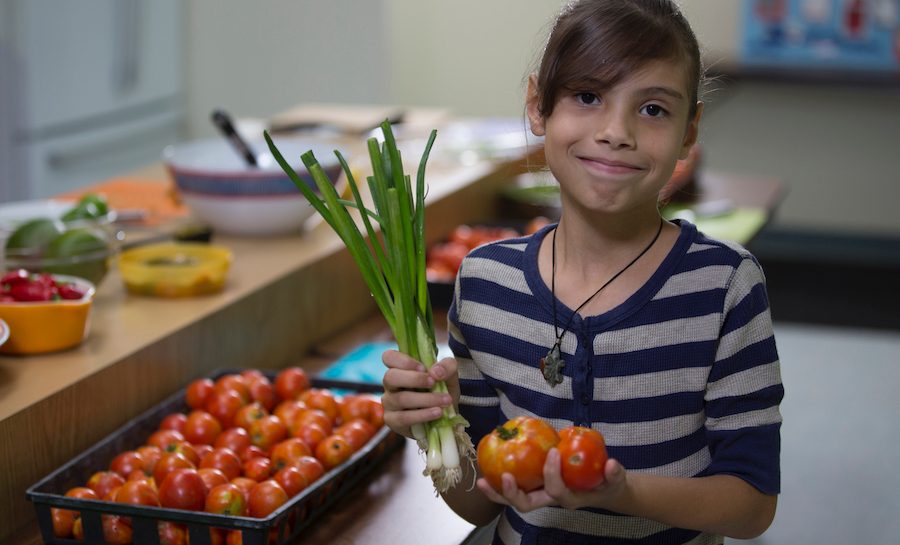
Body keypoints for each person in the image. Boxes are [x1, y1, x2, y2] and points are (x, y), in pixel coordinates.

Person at [381, 1, 784, 543]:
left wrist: (621, 493)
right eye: (588, 96)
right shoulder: (483, 283)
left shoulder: (726, 286)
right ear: (537, 106)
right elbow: (478, 506)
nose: (616, 131)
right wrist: (432, 426)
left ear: (690, 132)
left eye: (653, 110)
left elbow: (751, 506)